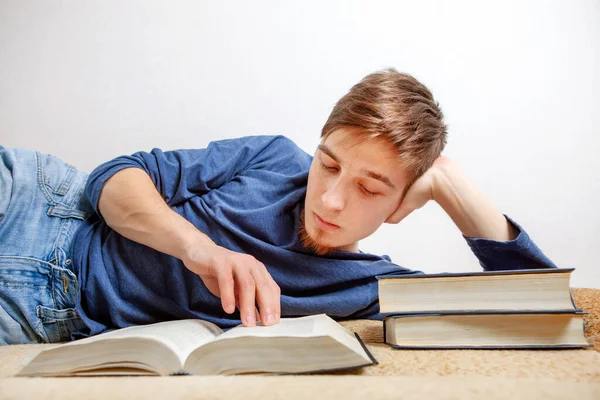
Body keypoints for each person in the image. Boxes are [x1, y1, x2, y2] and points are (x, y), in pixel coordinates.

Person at [0, 68, 557, 345]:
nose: (332, 200)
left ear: (400, 202)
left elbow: (540, 318)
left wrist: (451, 185)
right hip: (43, 203)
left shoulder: (371, 290)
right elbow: (114, 177)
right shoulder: (272, 157)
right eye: (330, 165)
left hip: (46, 317)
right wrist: (200, 250)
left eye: (370, 188)